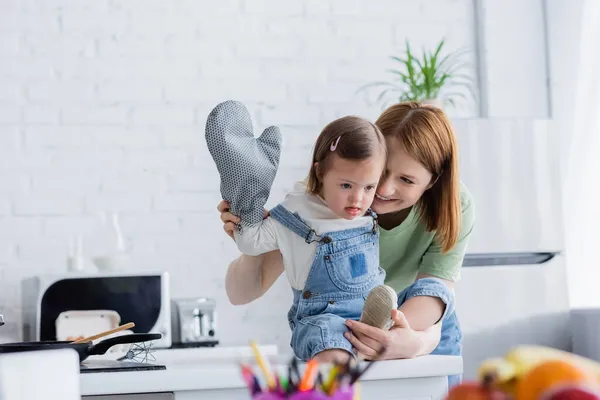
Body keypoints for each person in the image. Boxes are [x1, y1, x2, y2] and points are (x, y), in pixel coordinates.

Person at [218, 101, 475, 387]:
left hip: (412, 323)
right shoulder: (327, 201)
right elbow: (240, 293)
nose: (383, 189)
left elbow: (436, 293)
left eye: (406, 179)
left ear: (431, 182)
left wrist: (414, 340)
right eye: (381, 172)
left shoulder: (453, 204)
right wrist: (254, 240)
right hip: (346, 331)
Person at [231, 115, 391, 363]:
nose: (358, 199)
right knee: (334, 354)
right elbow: (251, 242)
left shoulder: (369, 213)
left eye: (369, 187)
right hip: (321, 320)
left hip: (366, 313)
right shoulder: (296, 212)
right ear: (320, 172)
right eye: (346, 185)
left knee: (394, 314)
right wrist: (247, 207)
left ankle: (371, 329)